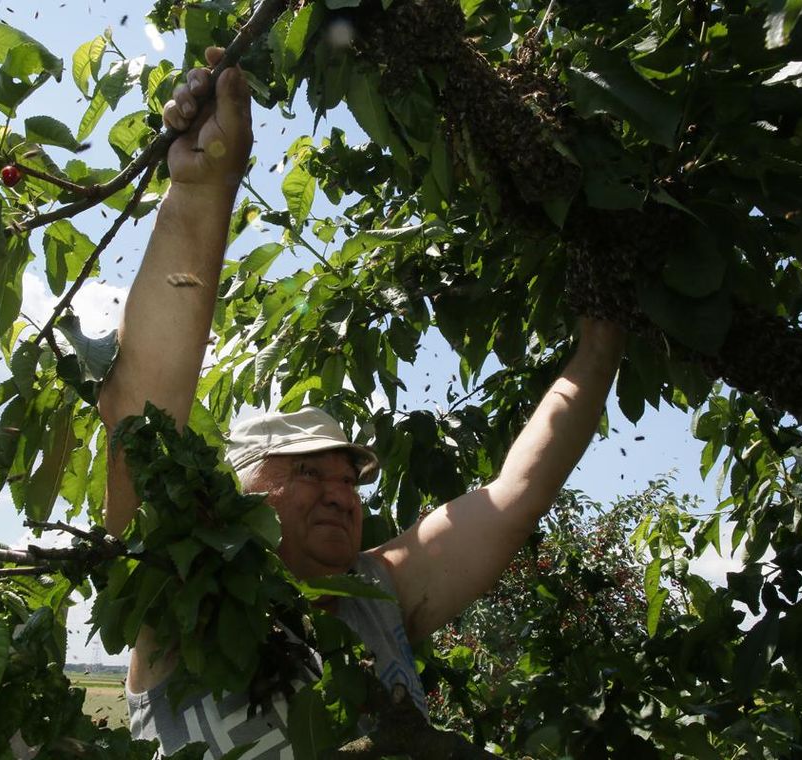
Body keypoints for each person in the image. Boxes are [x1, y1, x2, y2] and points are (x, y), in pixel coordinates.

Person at [97, 47, 627, 757]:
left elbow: (514, 496)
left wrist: (600, 344)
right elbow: (145, 425)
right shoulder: (183, 593)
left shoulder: (379, 594)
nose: (340, 492)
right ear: (237, 491)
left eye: (348, 478)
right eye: (308, 471)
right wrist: (202, 192)